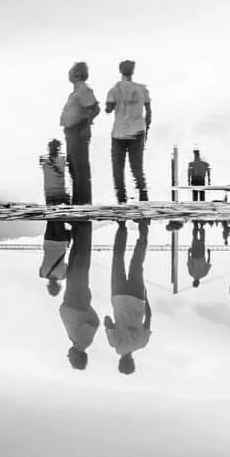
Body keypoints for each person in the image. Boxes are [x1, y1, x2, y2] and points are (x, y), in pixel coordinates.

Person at [104, 220, 153, 375]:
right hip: (119, 296)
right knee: (118, 259)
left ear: (132, 362)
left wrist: (145, 297)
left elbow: (149, 317)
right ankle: (122, 226)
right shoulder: (115, 344)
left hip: (138, 298)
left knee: (137, 263)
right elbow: (107, 321)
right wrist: (113, 323)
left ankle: (143, 230)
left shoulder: (142, 343)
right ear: (120, 362)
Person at [104, 60, 152, 204]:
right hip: (138, 131)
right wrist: (146, 129)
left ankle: (121, 199)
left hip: (119, 133)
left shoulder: (114, 90)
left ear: (120, 71)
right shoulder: (142, 89)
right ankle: (143, 195)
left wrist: (113, 105)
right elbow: (149, 113)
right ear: (133, 71)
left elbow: (108, 109)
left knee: (118, 168)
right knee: (137, 166)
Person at [59, 221, 99, 370]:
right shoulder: (84, 342)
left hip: (72, 297)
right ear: (77, 357)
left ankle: (78, 228)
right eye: (71, 359)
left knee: (75, 260)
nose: (68, 356)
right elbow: (95, 322)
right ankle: (84, 227)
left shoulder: (76, 341)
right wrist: (84, 304)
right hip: (77, 297)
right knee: (81, 260)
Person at [59, 62, 99, 205]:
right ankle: (78, 201)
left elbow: (95, 109)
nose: (69, 74)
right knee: (74, 167)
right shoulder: (76, 91)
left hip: (78, 132)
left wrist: (85, 125)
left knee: (80, 168)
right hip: (71, 133)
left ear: (77, 74)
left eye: (71, 72)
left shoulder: (83, 90)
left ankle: (83, 202)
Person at [39, 139, 70, 206]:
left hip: (57, 192)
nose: (56, 149)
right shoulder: (44, 159)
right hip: (54, 192)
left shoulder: (44, 159)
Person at [186, 221, 212, 288]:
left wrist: (188, 253)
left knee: (194, 239)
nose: (196, 282)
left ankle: (195, 225)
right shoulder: (204, 274)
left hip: (194, 255)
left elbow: (189, 263)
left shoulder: (191, 273)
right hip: (201, 255)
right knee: (202, 240)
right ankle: (201, 226)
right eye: (197, 283)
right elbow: (208, 263)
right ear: (199, 282)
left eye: (195, 282)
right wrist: (209, 254)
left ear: (193, 281)